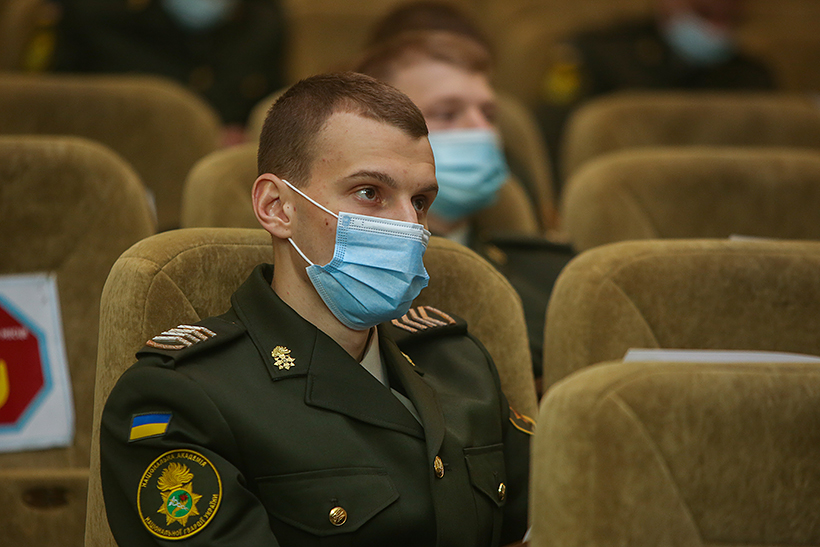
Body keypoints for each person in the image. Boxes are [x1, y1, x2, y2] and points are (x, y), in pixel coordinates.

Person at [99, 72, 532, 546]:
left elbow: (554, 522)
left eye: (421, 201)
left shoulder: (459, 363)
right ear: (277, 207)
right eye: (370, 193)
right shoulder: (181, 397)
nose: (410, 226)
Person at [356, 27, 575, 389]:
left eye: (489, 113)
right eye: (447, 113)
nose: (480, 129)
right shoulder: (347, 276)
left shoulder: (555, 275)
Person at [536, 0, 776, 194]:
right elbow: (556, 140)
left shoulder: (753, 75)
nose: (715, 29)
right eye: (703, 13)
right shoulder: (599, 53)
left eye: (727, 19)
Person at [53, 0, 288, 146]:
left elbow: (273, 103)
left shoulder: (263, 18)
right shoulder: (91, 15)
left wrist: (249, 136)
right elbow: (58, 114)